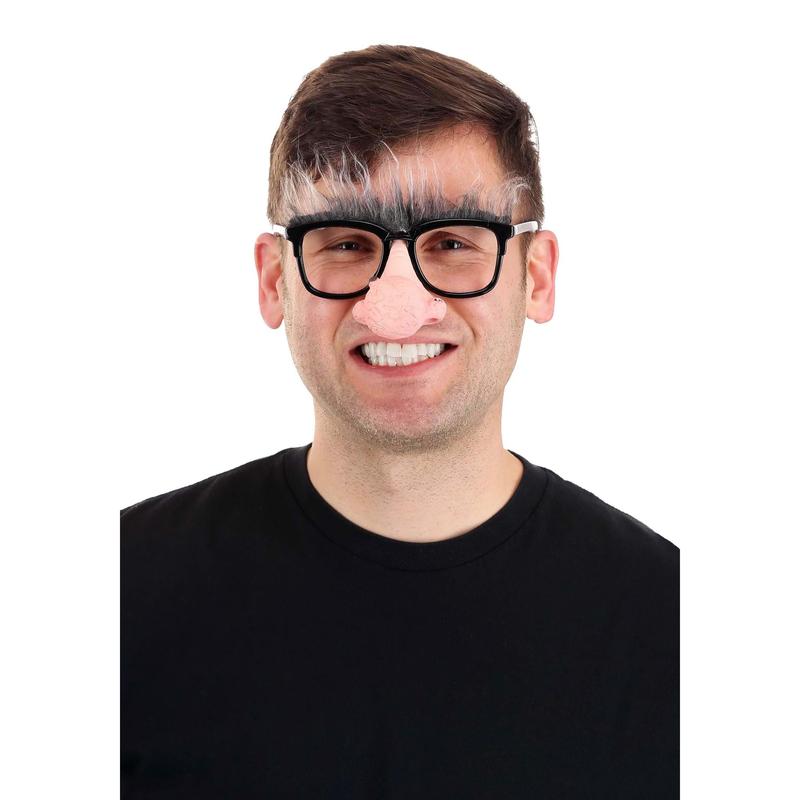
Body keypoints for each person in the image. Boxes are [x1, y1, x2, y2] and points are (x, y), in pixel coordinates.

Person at [121, 44, 679, 798]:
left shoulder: (675, 628)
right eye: (347, 244)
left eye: (451, 242)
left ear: (537, 277)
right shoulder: (114, 597)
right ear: (275, 280)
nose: (396, 309)